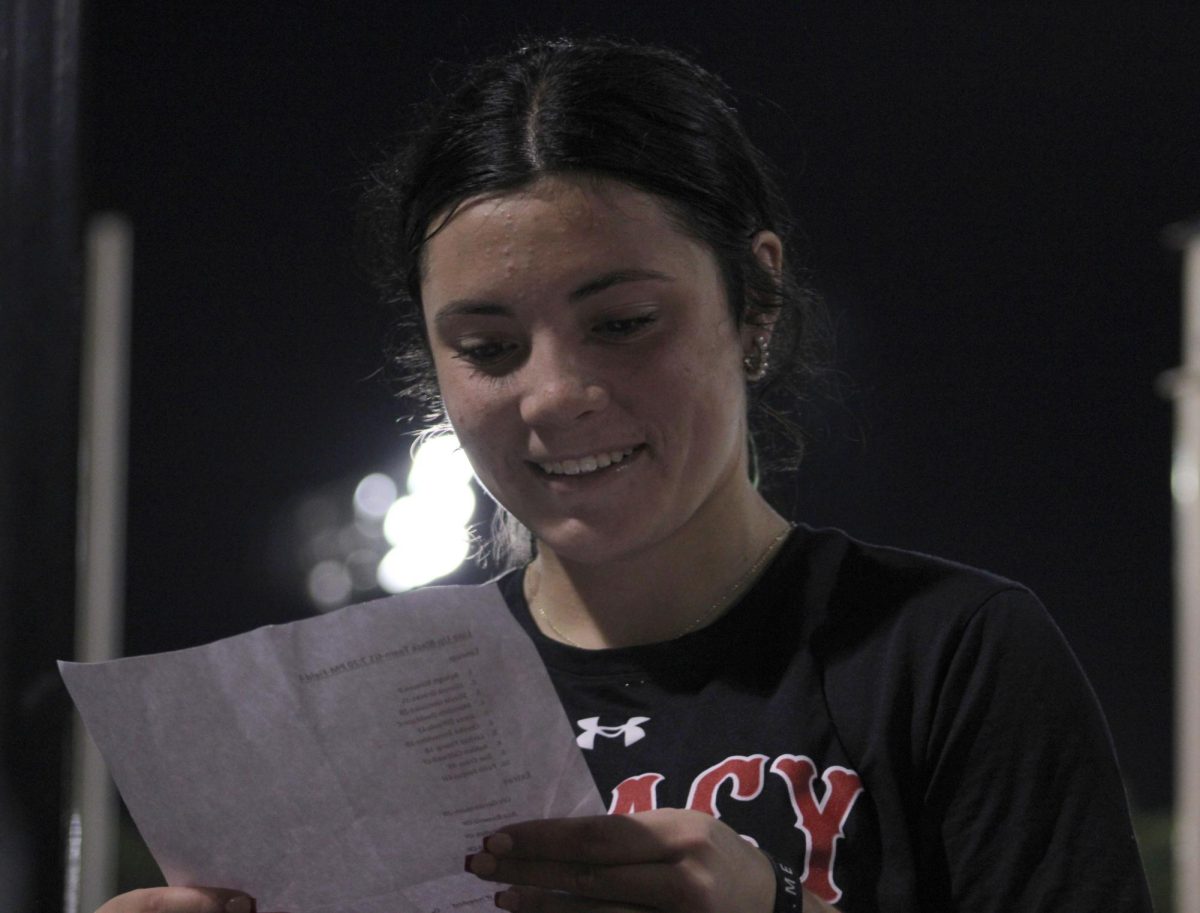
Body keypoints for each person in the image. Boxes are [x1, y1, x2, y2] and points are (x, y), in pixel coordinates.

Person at [98, 37, 1152, 913]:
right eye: (488, 346)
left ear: (756, 304)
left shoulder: (950, 657)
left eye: (623, 323)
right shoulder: (366, 719)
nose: (554, 394)